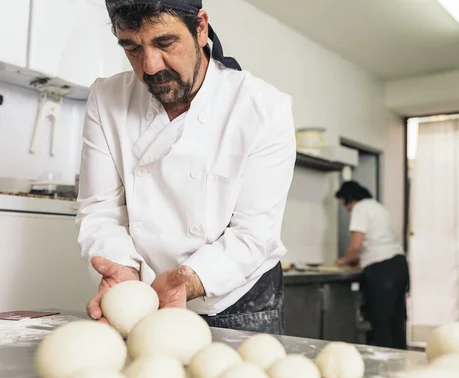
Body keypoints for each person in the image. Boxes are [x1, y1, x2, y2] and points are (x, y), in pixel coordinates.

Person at [75, 0, 296, 334]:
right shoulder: (107, 98)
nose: (149, 67)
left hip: (237, 300)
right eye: (132, 48)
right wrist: (120, 270)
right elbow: (99, 207)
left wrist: (190, 279)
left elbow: (254, 233)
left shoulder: (264, 109)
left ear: (201, 28)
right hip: (144, 298)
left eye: (165, 43)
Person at [335, 181, 409, 349]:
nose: (347, 209)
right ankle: (400, 366)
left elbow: (356, 244)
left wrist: (344, 260)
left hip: (382, 270)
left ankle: (383, 367)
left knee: (380, 322)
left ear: (350, 198)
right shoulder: (379, 208)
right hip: (398, 265)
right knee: (397, 321)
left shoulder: (360, 208)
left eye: (345, 204)